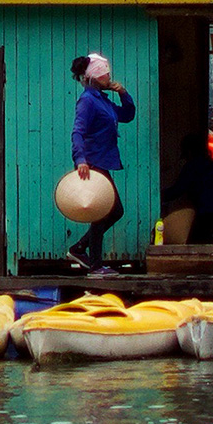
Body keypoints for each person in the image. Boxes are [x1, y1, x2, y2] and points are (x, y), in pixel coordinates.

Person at [69, 51, 135, 269]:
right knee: (105, 211)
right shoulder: (87, 101)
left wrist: (123, 93)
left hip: (102, 162)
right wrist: (80, 160)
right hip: (92, 164)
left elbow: (127, 115)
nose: (109, 78)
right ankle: (95, 265)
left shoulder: (103, 101)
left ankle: (80, 249)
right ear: (94, 77)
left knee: (110, 211)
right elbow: (78, 132)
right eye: (105, 75)